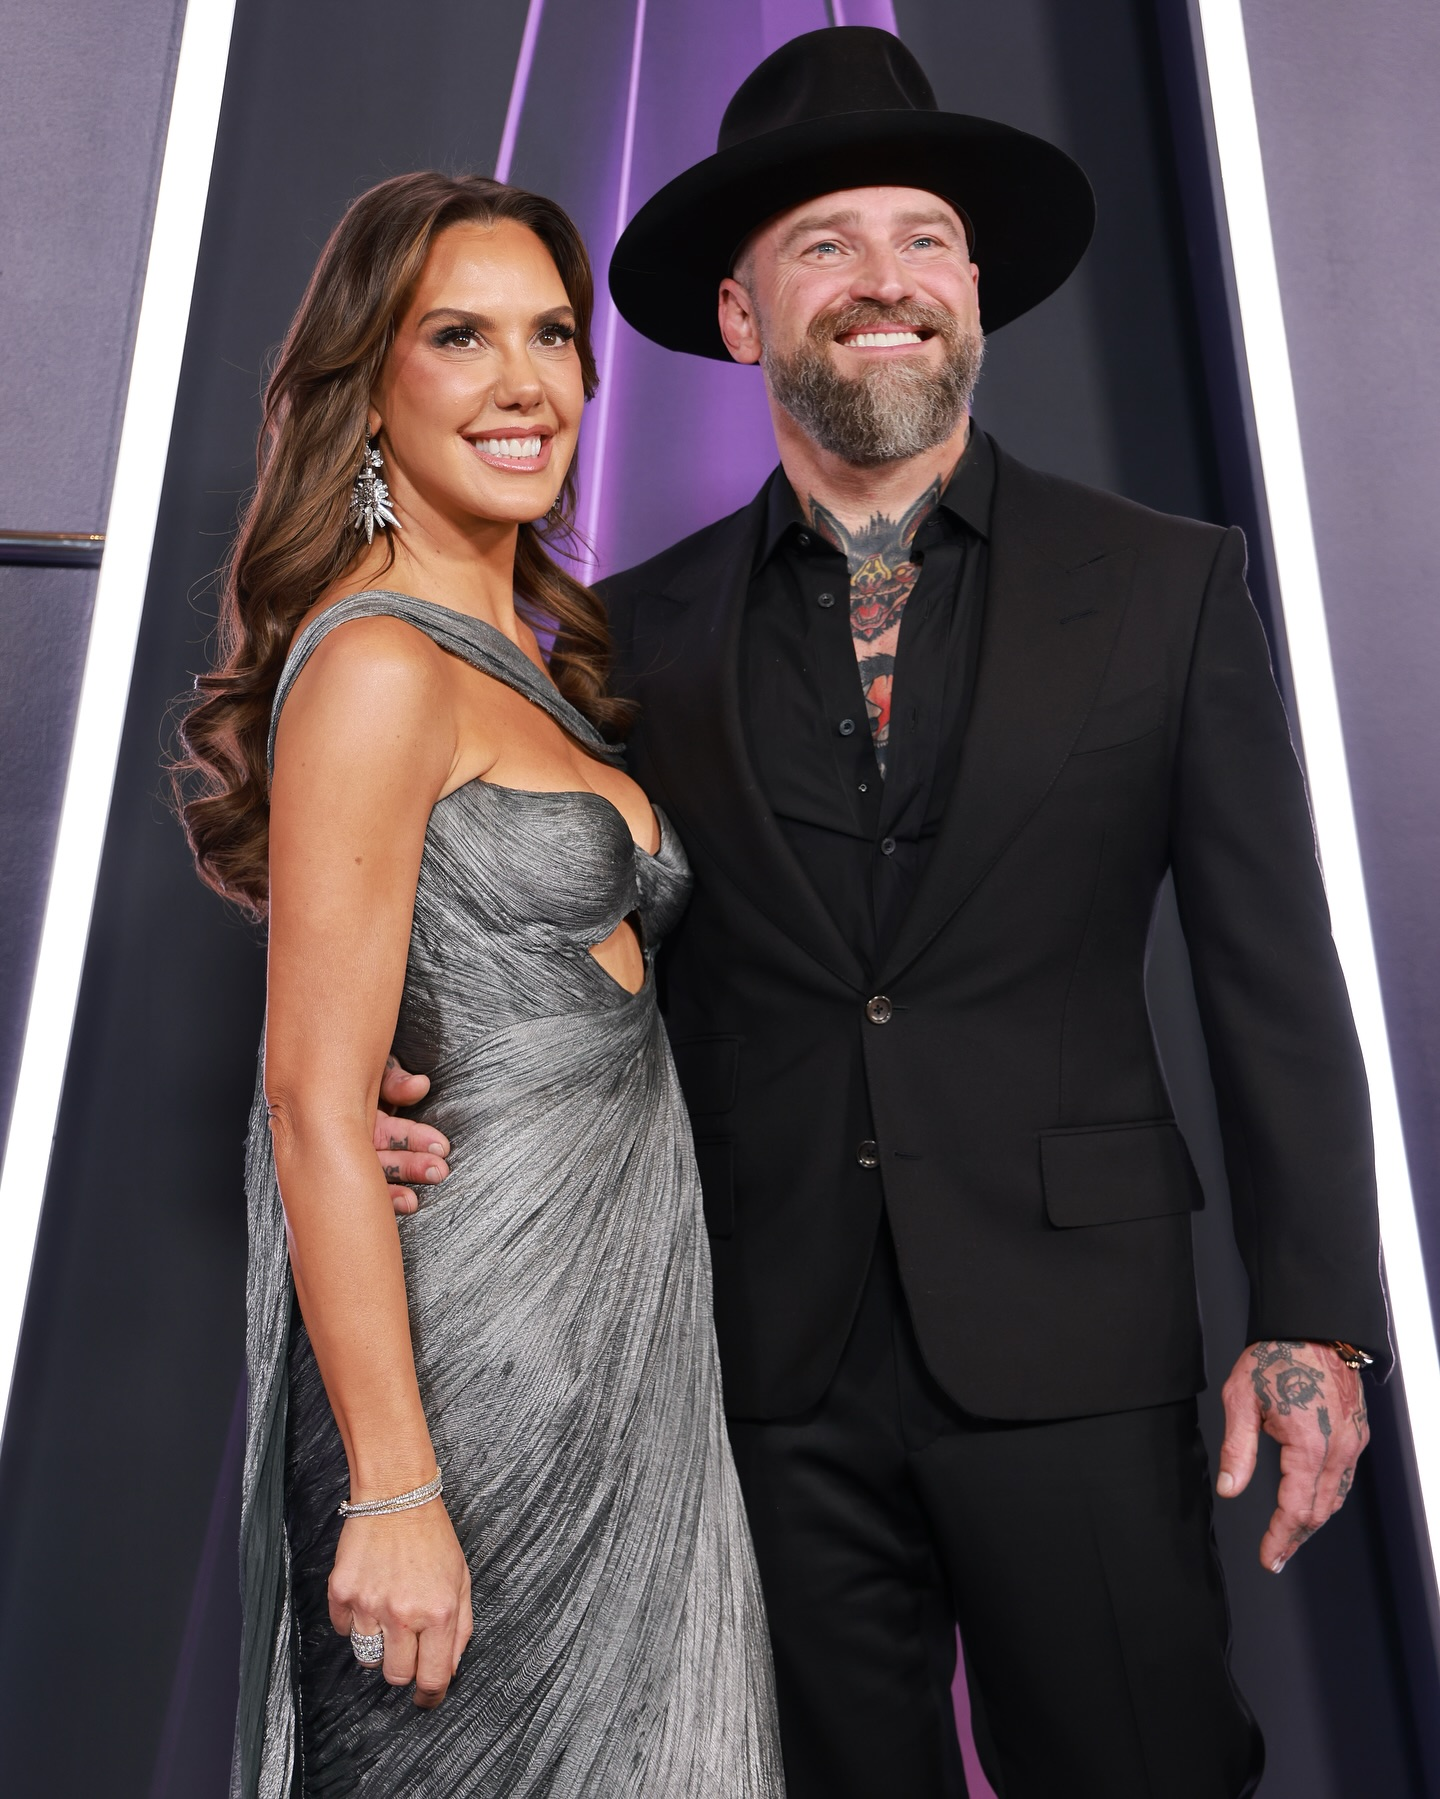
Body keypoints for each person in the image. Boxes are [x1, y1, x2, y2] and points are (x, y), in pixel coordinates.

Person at [374, 29, 1387, 1799]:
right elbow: (582, 949)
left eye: (925, 239)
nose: (886, 280)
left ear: (974, 291)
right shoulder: (629, 636)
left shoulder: (1165, 586)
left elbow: (1274, 976)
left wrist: (1313, 1314)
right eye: (826, 245)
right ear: (743, 314)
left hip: (1076, 1341)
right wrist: (414, 1092)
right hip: (758, 1355)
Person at [173, 172, 784, 1799]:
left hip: (627, 1353)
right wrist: (393, 1486)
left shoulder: (530, 661)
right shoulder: (376, 665)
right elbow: (314, 1099)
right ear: (368, 389)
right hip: (465, 1377)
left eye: (552, 337)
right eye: (460, 337)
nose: (526, 384)